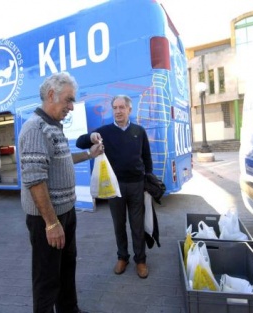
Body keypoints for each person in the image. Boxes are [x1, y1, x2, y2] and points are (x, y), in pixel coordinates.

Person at [19, 72, 103, 313]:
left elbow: (63, 160)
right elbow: (35, 180)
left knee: (66, 268)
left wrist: (89, 154)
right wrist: (51, 223)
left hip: (65, 213)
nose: (71, 107)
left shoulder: (53, 126)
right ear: (51, 95)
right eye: (68, 100)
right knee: (47, 278)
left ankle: (69, 309)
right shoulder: (35, 128)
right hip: (48, 219)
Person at [76, 95, 153, 279]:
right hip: (114, 187)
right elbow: (80, 142)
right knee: (118, 225)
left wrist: (148, 182)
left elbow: (147, 159)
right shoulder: (105, 132)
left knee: (137, 225)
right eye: (115, 108)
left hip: (136, 186)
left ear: (129, 110)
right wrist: (91, 137)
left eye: (121, 107)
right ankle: (122, 257)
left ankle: (140, 260)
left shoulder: (139, 131)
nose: (118, 111)